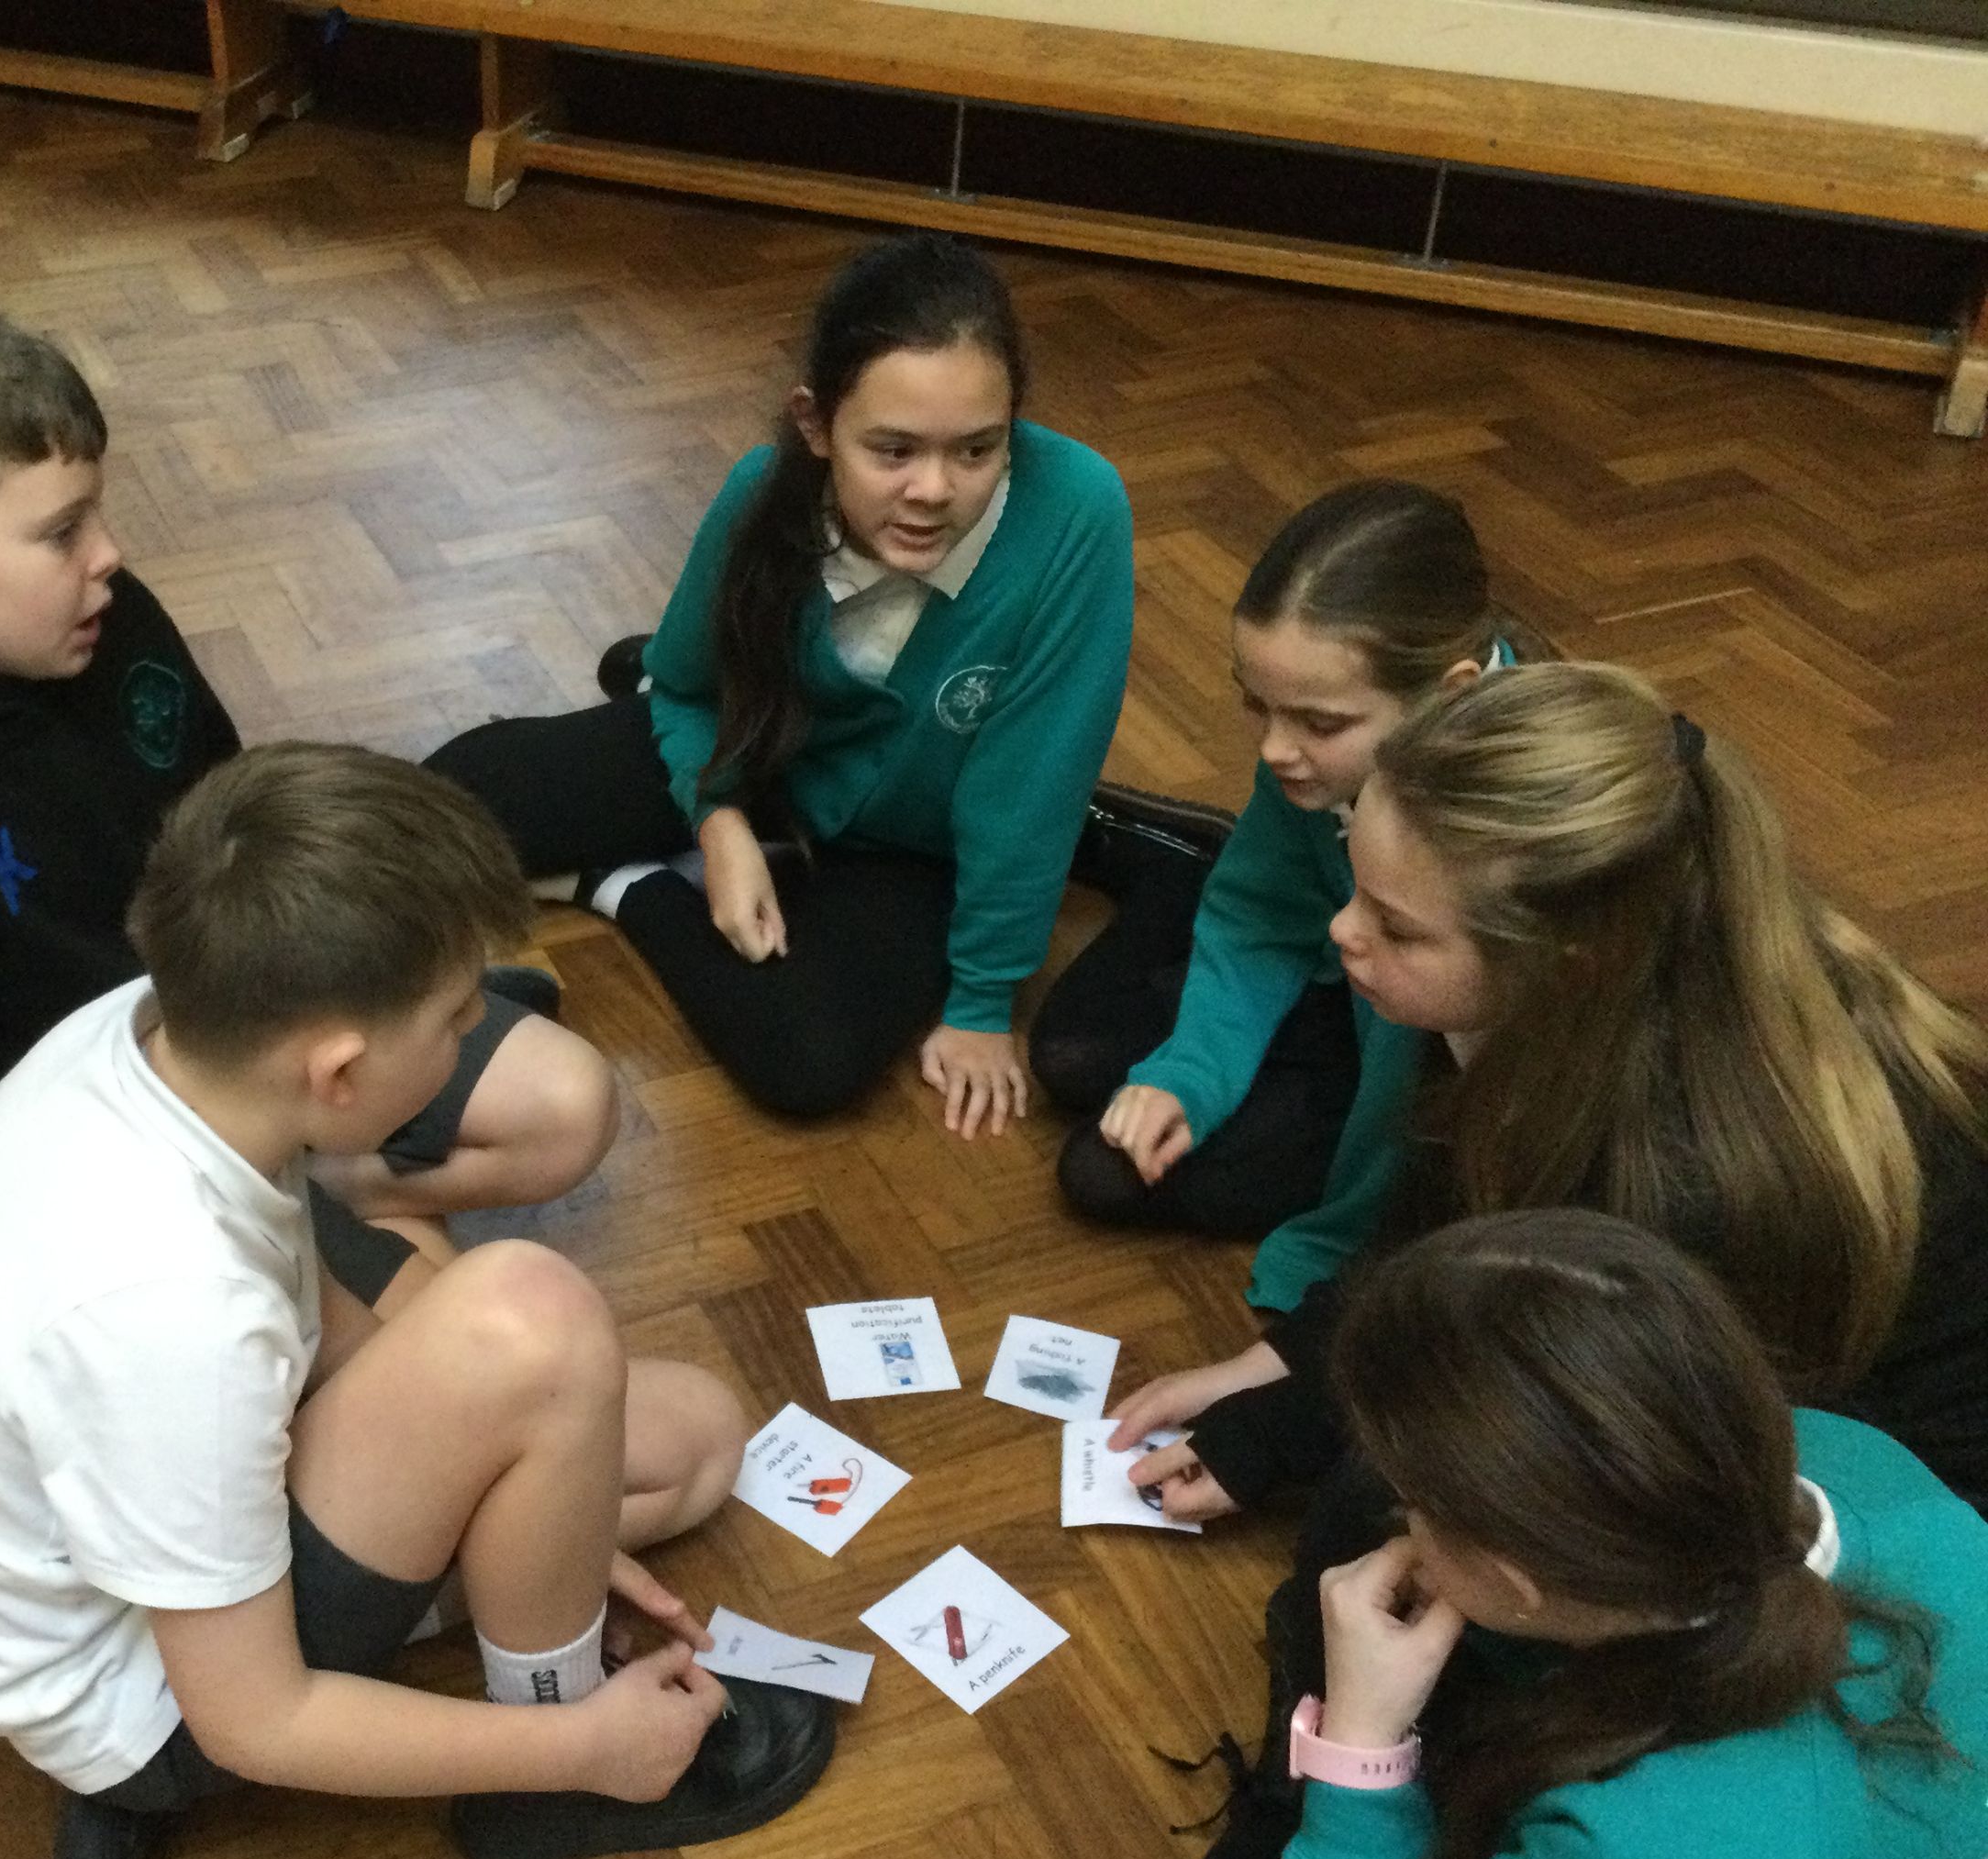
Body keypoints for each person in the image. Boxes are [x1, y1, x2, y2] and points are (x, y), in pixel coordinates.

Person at [0, 743, 833, 1859]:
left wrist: (555, 1522)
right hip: (156, 1708)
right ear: (338, 1073)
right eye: (457, 1017)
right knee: (537, 1322)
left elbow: (304, 1290)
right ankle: (553, 1789)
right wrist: (586, 1748)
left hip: (147, 1531)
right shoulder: (165, 1316)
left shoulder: (163, 1035)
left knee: (694, 1441)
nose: (477, 1033)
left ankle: (524, 1608)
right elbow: (256, 1722)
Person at [0, 294, 617, 1308]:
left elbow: (238, 823)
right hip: (125, 1154)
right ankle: (317, 1218)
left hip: (261, 1020)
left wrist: (358, 991)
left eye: (95, 513)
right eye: (62, 532)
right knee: (455, 1331)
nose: (107, 554)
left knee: (573, 1108)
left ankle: (334, 1188)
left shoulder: (98, 615)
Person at [970, 1209, 1988, 1859]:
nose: (1400, 1518)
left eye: (1416, 1508)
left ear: (1518, 1584)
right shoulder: (1865, 1467)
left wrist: (1358, 1758)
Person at [1109, 661, 1988, 1521]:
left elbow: (1607, 1427)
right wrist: (1273, 1379)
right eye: (1357, 889)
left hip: (1891, 1497)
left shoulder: (1685, 1175)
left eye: (1397, 928)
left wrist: (1293, 1438)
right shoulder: (1559, 998)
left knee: (1359, 1521)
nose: (1343, 930)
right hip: (1706, 1383)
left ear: (1561, 968)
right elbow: (1442, 1233)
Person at [426, 232, 1134, 1133]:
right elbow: (687, 687)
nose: (933, 490)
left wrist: (982, 1006)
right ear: (816, 425)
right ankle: (701, 840)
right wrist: (718, 821)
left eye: (976, 451)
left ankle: (625, 885)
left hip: (915, 848)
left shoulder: (1079, 510)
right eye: (892, 450)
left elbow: (1028, 796)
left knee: (807, 1060)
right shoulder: (762, 489)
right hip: (759, 754)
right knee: (444, 808)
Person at [1031, 481, 1540, 1315]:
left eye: (1319, 723)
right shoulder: (1318, 763)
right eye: (1255, 704)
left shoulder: (1515, 834)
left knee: (1104, 1172)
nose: (1273, 750)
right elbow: (1260, 914)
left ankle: (1185, 863)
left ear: (1449, 697)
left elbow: (1428, 1078)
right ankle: (1180, 864)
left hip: (1413, 1055)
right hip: (1355, 992)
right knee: (1072, 1056)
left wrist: (1339, 1252)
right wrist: (1191, 1075)